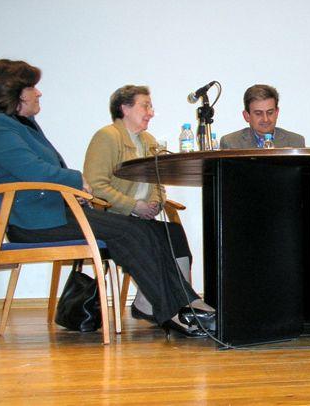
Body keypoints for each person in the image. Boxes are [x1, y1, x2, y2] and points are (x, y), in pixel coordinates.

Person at [0, 59, 214, 338]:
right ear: (15, 92)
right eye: (32, 87)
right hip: (34, 223)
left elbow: (47, 171)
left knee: (149, 231)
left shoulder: (21, 126)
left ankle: (181, 304)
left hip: (54, 213)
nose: (38, 93)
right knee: (131, 231)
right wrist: (79, 181)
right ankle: (172, 311)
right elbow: (35, 171)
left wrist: (76, 190)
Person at [83, 85, 213, 324]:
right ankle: (176, 302)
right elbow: (95, 185)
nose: (151, 112)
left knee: (173, 233)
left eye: (150, 106)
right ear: (125, 108)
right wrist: (133, 206)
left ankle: (176, 301)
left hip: (141, 217)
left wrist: (155, 202)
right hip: (114, 217)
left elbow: (159, 181)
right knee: (152, 235)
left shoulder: (148, 140)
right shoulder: (108, 136)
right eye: (145, 105)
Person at [220, 84, 305, 149]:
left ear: (277, 112)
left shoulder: (296, 142)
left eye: (270, 112)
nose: (265, 119)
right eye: (258, 113)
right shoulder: (231, 143)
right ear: (246, 116)